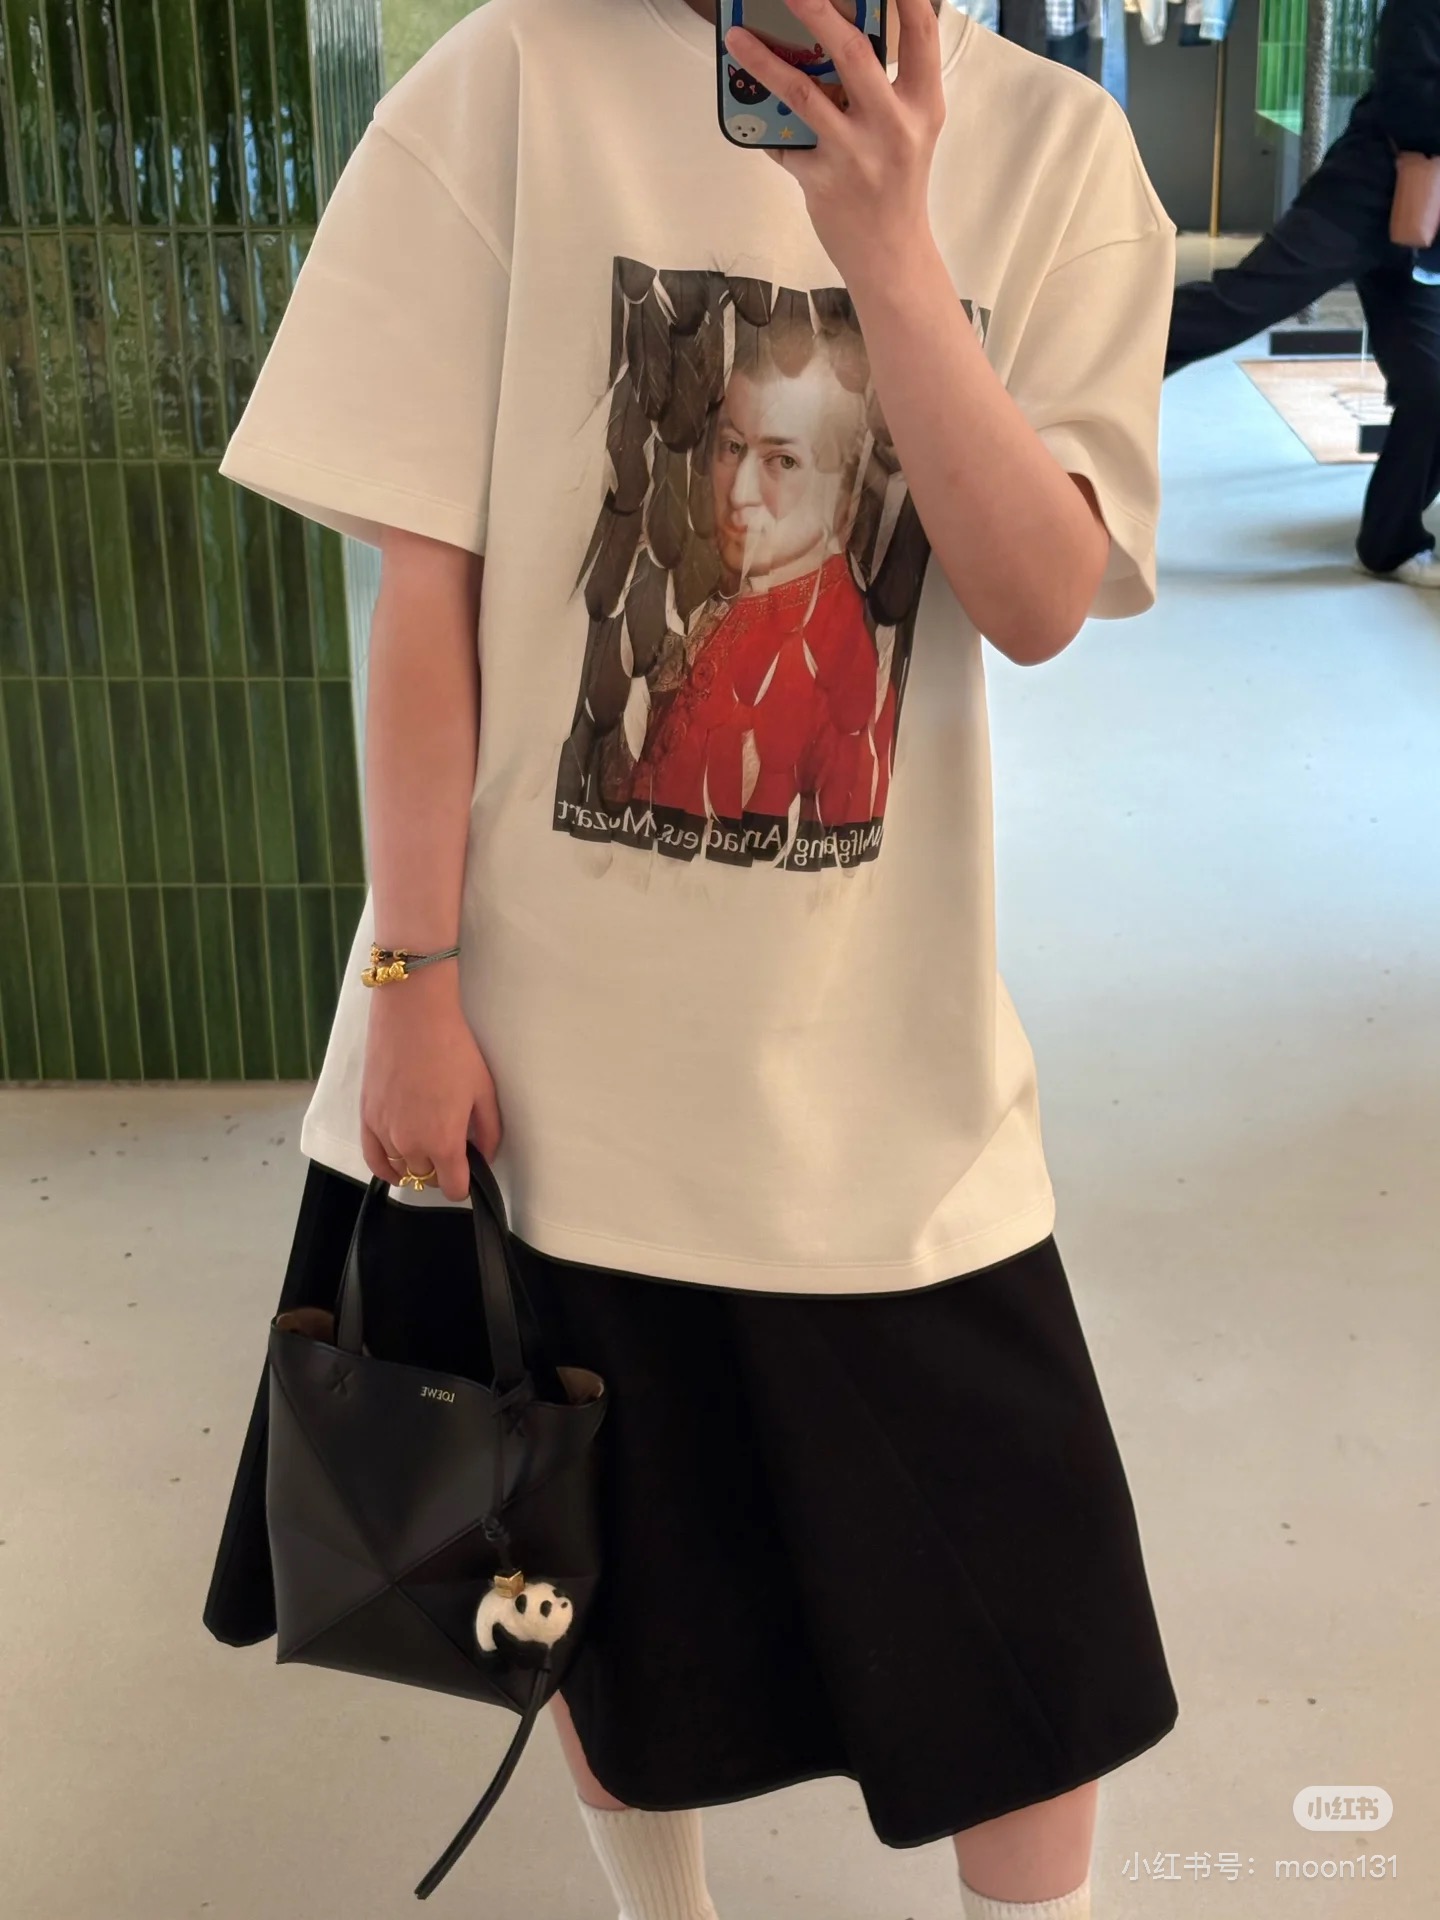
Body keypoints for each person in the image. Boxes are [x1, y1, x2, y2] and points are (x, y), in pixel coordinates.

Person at [204, 0, 1181, 1915]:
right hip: (549, 1071)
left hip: (880, 1088)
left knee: (1035, 1656)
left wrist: (885, 240)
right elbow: (426, 599)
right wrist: (412, 984)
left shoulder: (1059, 156)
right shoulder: (510, 88)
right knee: (597, 1595)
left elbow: (1039, 599)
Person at [1165, 0, 1440, 586]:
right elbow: (1411, 97)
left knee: (1434, 383)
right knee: (1235, 307)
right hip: (1360, 196)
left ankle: (1390, 543)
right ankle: (1077, 364)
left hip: (1426, 226)